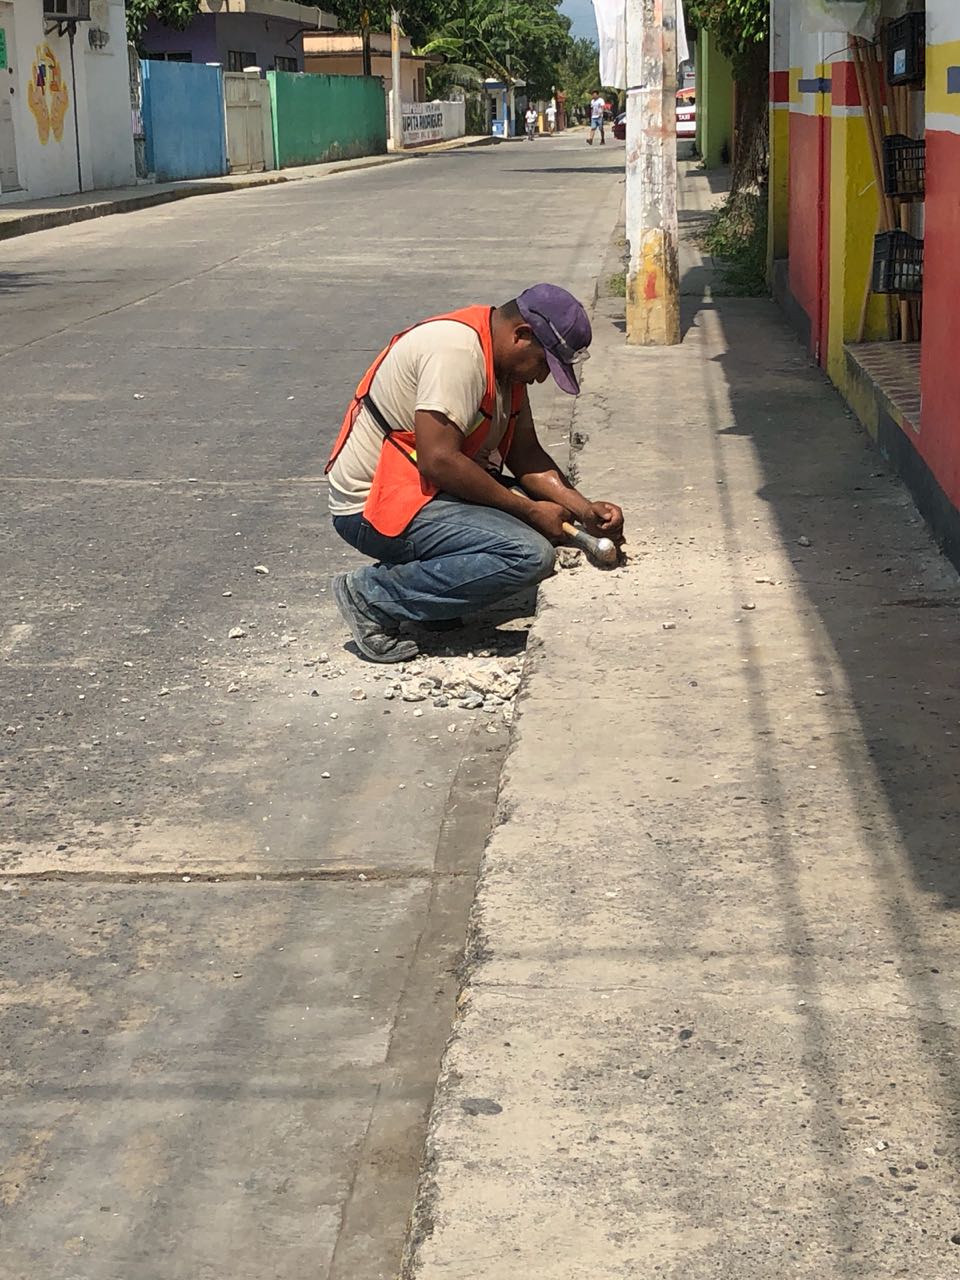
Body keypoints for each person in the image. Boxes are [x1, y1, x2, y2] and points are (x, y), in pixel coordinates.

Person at [326, 284, 625, 663]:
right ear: (522, 335)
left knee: (551, 521)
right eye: (544, 364)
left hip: (427, 491)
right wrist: (530, 511)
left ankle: (431, 601)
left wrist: (584, 512)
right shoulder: (457, 353)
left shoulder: (503, 365)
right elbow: (439, 461)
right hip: (376, 503)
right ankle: (372, 596)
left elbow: (526, 454)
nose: (541, 379)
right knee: (528, 553)